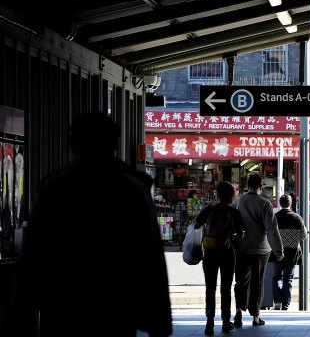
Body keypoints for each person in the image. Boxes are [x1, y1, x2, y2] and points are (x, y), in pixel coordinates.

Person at [15, 111, 172, 337]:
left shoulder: (56, 187)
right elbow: (150, 257)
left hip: (64, 307)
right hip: (116, 308)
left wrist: (21, 316)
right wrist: (159, 323)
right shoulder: (132, 189)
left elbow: (33, 259)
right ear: (113, 144)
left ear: (73, 144)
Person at [195, 181, 246, 335]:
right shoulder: (234, 212)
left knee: (210, 287)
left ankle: (209, 321)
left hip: (210, 252)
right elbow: (242, 233)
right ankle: (225, 322)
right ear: (232, 196)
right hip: (227, 252)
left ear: (217, 195)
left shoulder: (209, 209)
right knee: (226, 288)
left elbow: (196, 225)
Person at [234, 172, 284, 328]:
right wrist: (279, 251)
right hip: (261, 250)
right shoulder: (265, 204)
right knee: (258, 282)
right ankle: (256, 317)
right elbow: (272, 229)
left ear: (248, 185)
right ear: (261, 187)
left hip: (241, 248)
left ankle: (238, 313)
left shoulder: (240, 201)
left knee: (241, 281)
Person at [271, 193, 308, 310]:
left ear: (280, 204)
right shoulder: (298, 218)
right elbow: (303, 236)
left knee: (276, 277)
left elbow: (270, 234)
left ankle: (277, 301)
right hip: (292, 253)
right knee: (288, 279)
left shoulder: (275, 217)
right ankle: (286, 305)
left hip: (278, 252)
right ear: (291, 203)